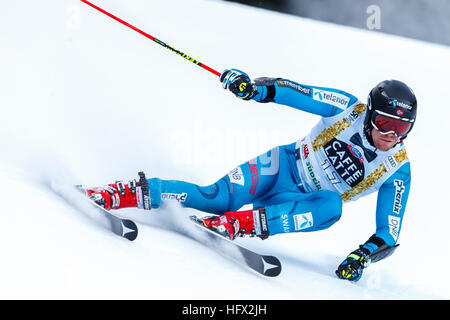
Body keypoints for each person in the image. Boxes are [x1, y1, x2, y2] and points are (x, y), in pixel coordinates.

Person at [86, 69, 417, 282]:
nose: (392, 135)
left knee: (331, 206)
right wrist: (254, 89)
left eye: (402, 128)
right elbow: (296, 91)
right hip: (280, 168)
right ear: (371, 114)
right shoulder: (347, 108)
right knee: (215, 198)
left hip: (297, 203)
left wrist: (361, 257)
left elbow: (388, 231)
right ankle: (120, 193)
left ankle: (237, 225)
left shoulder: (397, 168)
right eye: (386, 123)